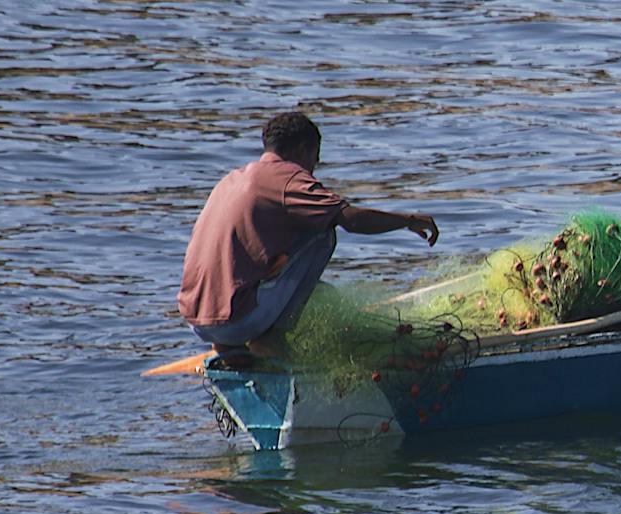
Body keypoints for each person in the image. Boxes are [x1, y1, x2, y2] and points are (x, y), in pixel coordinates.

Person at [178, 110, 438, 353]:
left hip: (198, 321)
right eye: (316, 156)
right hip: (239, 320)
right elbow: (351, 220)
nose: (316, 164)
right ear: (303, 149)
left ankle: (228, 349)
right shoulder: (288, 177)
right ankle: (270, 339)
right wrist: (408, 220)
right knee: (323, 231)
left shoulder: (231, 180)